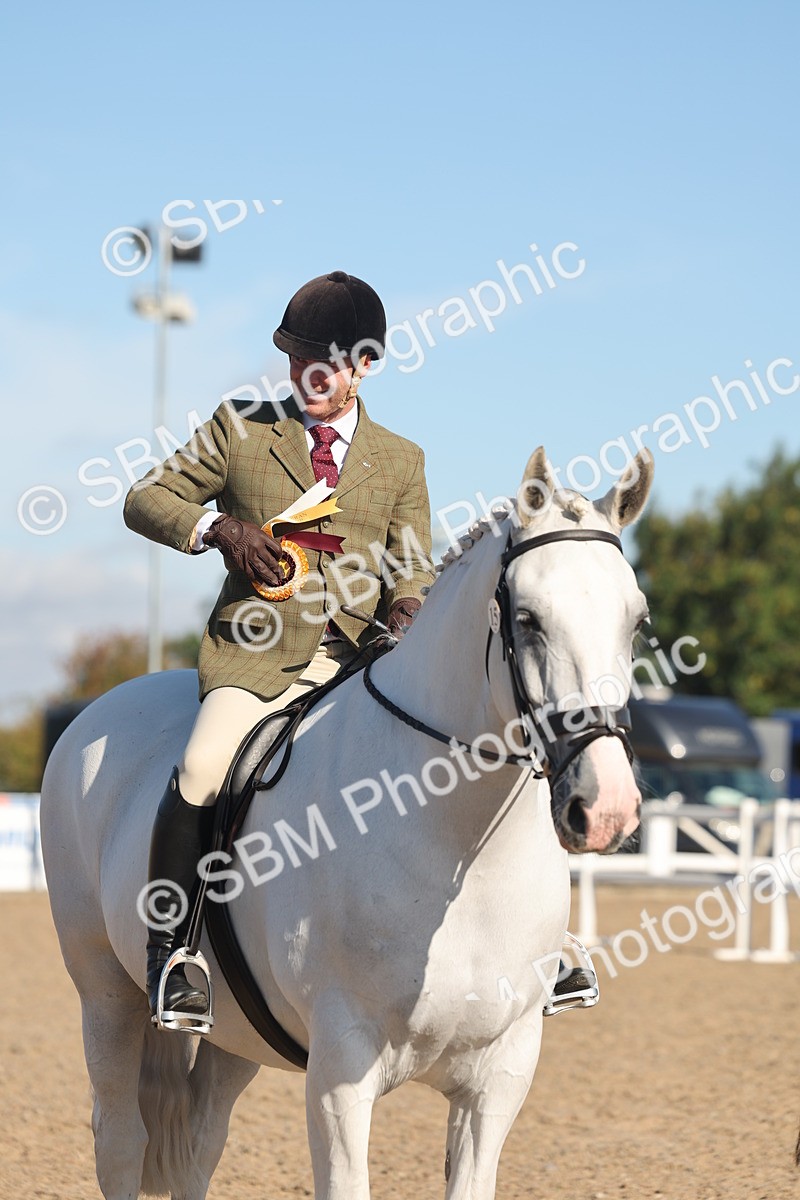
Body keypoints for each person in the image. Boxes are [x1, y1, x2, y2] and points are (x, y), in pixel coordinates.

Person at [124, 270, 435, 1027]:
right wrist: (221, 530)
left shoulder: (401, 459)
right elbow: (145, 498)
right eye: (296, 361)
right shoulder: (241, 428)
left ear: (366, 366)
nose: (306, 378)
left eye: (325, 365)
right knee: (203, 766)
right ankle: (173, 954)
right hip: (255, 658)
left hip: (357, 665)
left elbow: (413, 565)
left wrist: (408, 606)